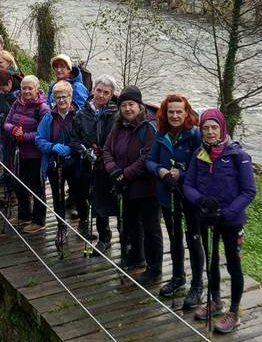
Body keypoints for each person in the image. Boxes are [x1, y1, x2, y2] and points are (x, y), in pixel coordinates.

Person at [183, 109, 256, 334]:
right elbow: (188, 185)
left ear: (222, 128)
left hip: (231, 221)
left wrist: (226, 213)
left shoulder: (238, 156)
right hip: (206, 218)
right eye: (206, 128)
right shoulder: (199, 154)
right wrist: (201, 201)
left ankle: (233, 312)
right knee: (212, 261)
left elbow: (248, 191)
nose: (210, 132)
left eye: (214, 127)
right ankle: (215, 301)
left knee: (234, 265)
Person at [145, 94, 204, 309]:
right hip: (166, 194)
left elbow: (202, 166)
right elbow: (150, 161)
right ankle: (178, 277)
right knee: (175, 236)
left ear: (187, 112)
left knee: (193, 238)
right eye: (171, 112)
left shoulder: (195, 135)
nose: (175, 115)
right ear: (165, 113)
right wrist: (160, 171)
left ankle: (197, 285)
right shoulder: (161, 134)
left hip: (189, 196)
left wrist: (182, 173)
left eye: (179, 111)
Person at [103, 85, 161, 285]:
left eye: (131, 104)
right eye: (124, 105)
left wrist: (124, 175)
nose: (128, 109)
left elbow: (147, 158)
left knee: (151, 228)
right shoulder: (118, 124)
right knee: (131, 223)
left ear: (140, 105)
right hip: (126, 186)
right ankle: (136, 258)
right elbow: (107, 150)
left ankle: (155, 268)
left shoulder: (150, 126)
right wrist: (113, 171)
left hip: (147, 187)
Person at [36, 81, 96, 243]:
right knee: (58, 196)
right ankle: (61, 228)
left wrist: (73, 149)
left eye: (64, 96)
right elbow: (39, 139)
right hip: (56, 164)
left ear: (71, 97)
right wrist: (53, 146)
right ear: (53, 99)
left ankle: (83, 225)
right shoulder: (49, 118)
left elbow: (87, 139)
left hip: (77, 163)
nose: (61, 100)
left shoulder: (80, 115)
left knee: (81, 194)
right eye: (58, 97)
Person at [70, 75, 119, 253]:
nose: (101, 95)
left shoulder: (115, 115)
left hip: (108, 164)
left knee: (104, 201)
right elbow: (74, 140)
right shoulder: (81, 114)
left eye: (106, 93)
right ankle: (95, 231)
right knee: (91, 198)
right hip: (87, 162)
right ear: (93, 90)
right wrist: (84, 150)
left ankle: (106, 238)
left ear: (112, 94)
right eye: (99, 91)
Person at [3, 75, 50, 233]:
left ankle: (39, 220)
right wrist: (14, 130)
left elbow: (43, 133)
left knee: (37, 187)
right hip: (20, 152)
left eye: (30, 88)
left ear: (37, 89)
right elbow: (7, 122)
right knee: (19, 184)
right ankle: (24, 215)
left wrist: (24, 136)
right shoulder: (17, 102)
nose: (27, 91)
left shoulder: (43, 108)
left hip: (36, 154)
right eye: (24, 88)